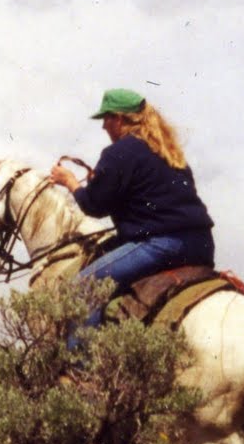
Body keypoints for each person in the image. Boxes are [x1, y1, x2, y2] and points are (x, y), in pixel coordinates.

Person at [48, 88, 215, 319]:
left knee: (82, 287)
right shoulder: (169, 152)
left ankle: (81, 356)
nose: (103, 126)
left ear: (118, 118)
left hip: (161, 245)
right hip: (201, 245)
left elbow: (94, 206)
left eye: (106, 118)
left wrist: (70, 182)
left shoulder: (119, 152)